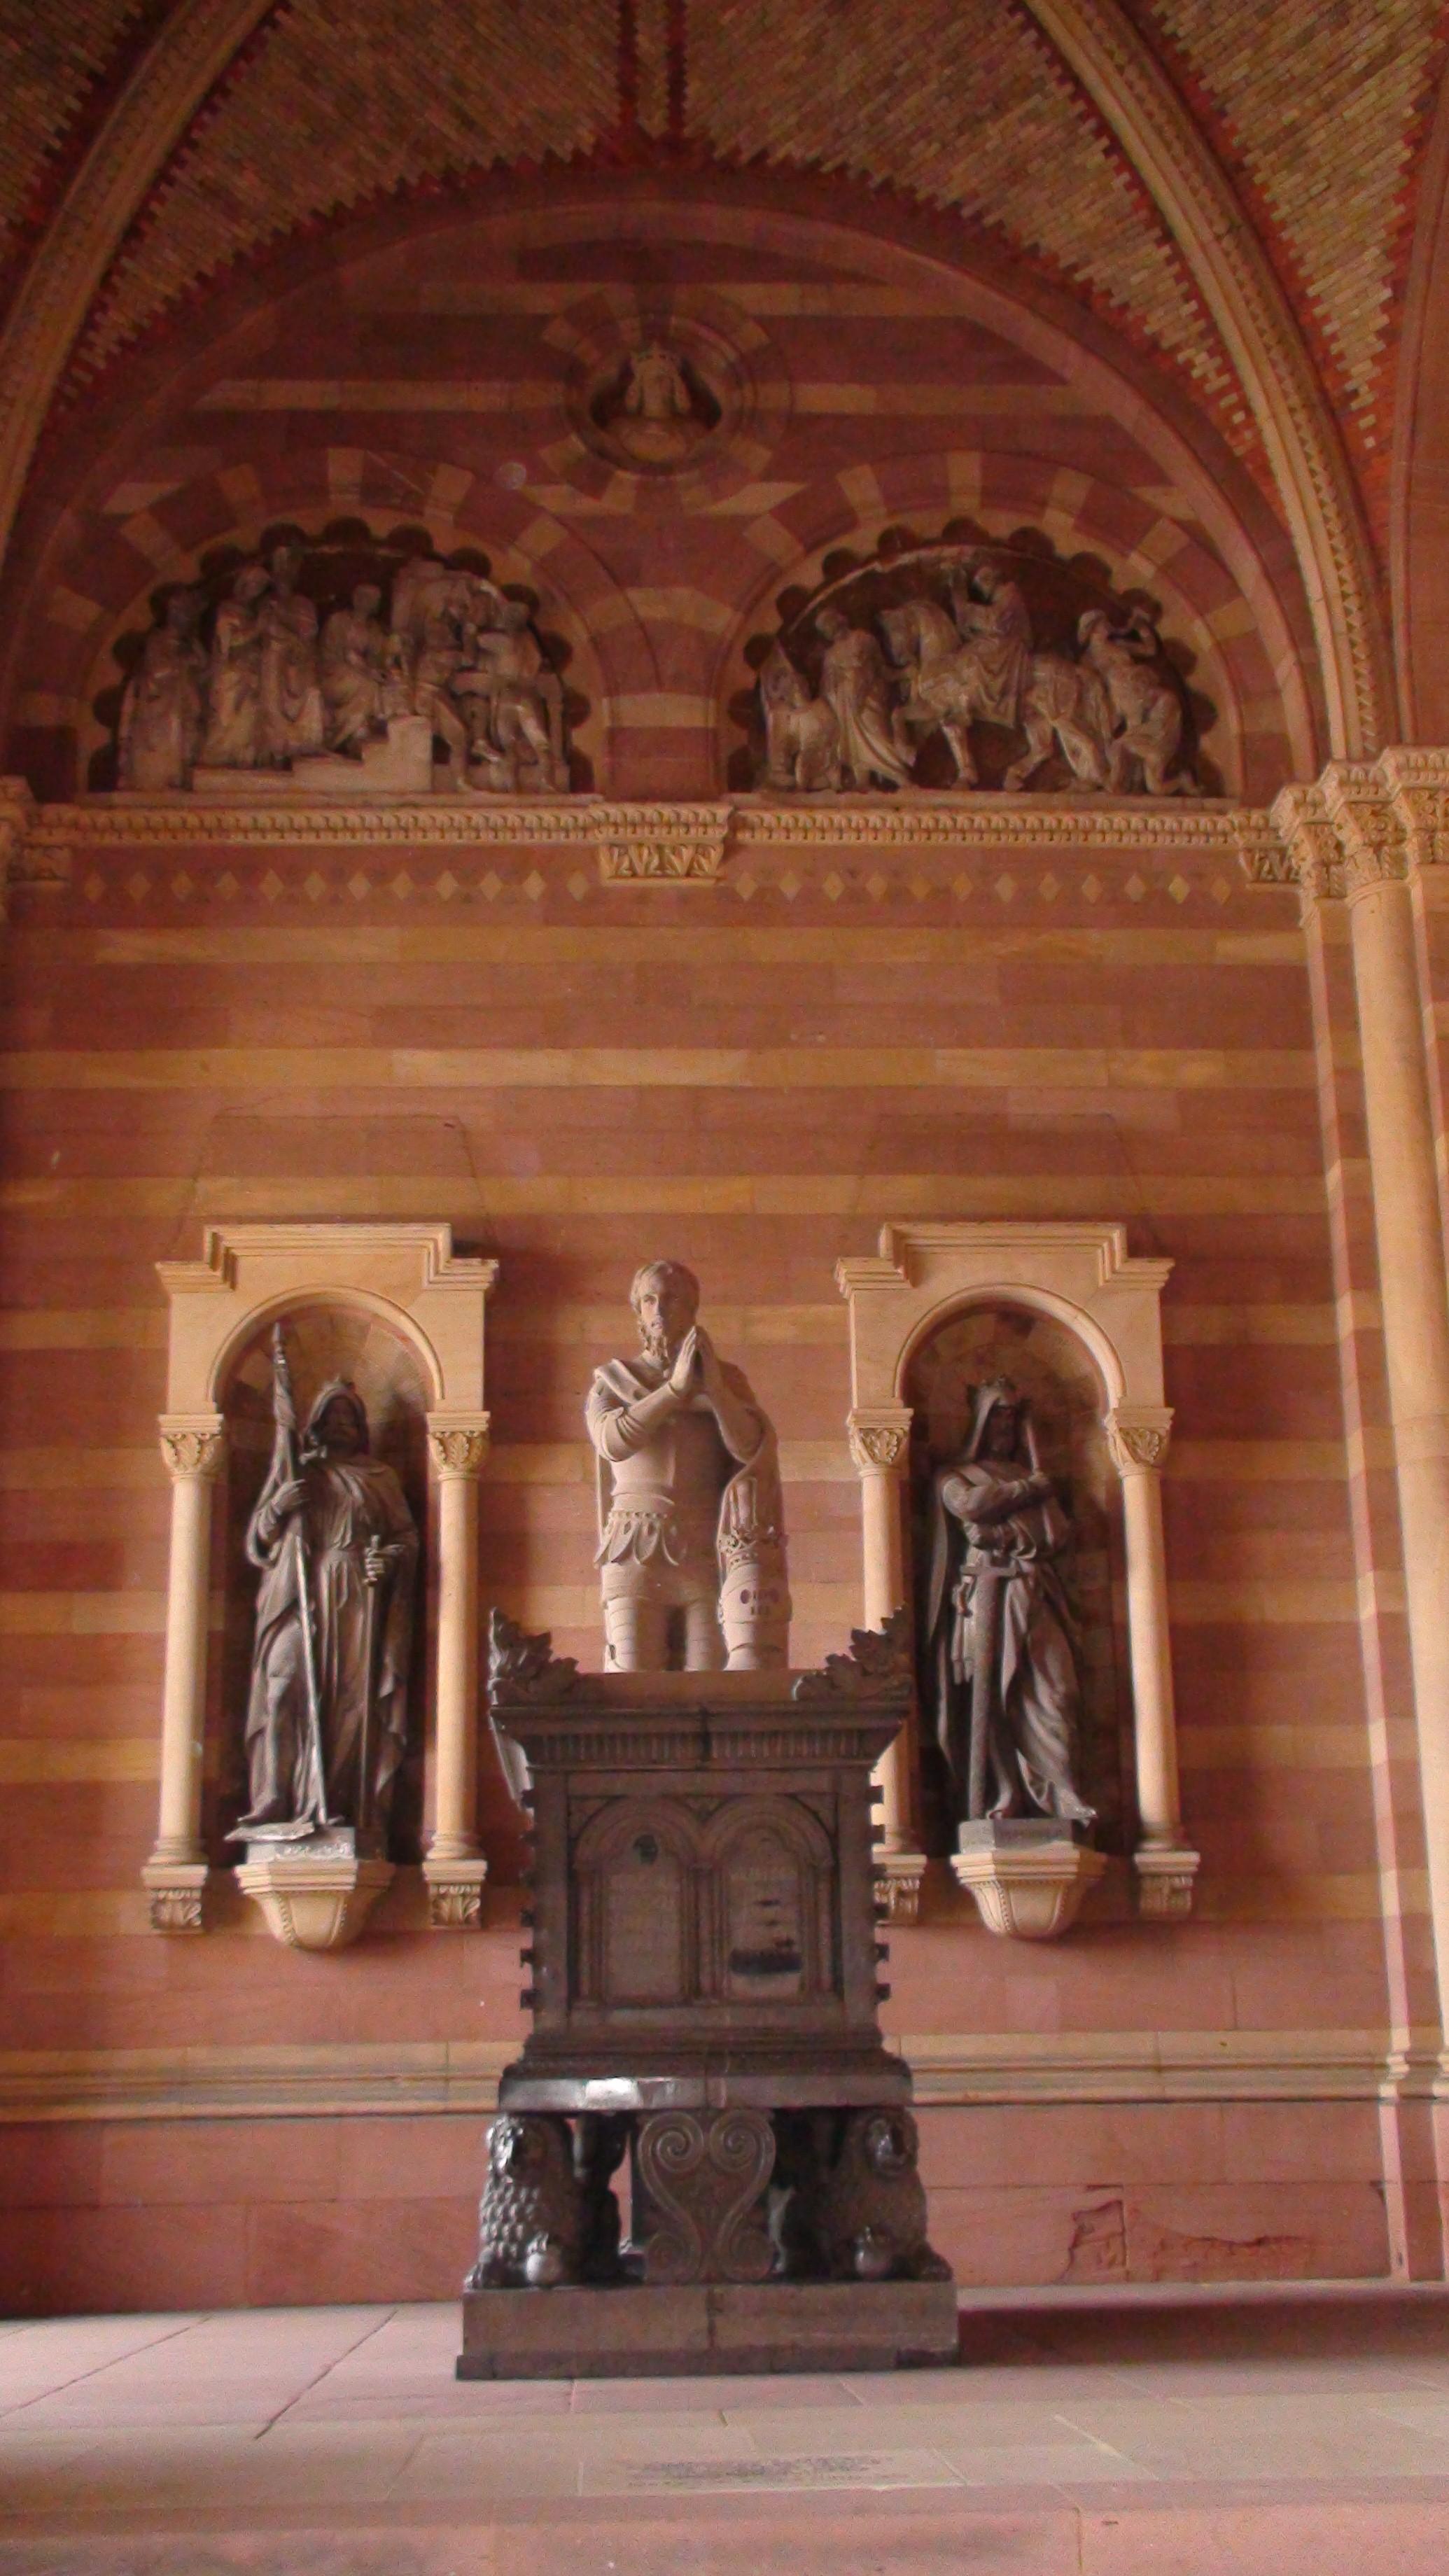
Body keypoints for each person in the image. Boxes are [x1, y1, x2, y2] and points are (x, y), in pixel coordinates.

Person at [585, 1261, 785, 1671]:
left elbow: (750, 1447)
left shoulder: (726, 1380)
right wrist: (674, 1391)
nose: (659, 1310)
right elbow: (612, 1441)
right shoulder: (615, 1379)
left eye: (671, 1299)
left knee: (710, 1685)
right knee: (632, 1683)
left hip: (705, 1548)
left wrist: (715, 1391)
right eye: (649, 1300)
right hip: (634, 1544)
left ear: (692, 1309)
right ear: (638, 1311)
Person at [238, 1379, 417, 1835]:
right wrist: (277, 1508)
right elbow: (261, 1539)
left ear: (360, 1426)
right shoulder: (297, 1472)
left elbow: (405, 1537)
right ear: (316, 1422)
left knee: (347, 1704)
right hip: (297, 1591)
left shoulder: (379, 1477)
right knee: (282, 1689)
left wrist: (386, 1560)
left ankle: (335, 1804)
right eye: (331, 1415)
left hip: (354, 1596)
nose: (340, 1424)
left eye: (348, 1416)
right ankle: (274, 1796)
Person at [923, 1378, 1094, 1828]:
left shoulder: (1031, 1477)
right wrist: (1027, 1492)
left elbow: (1056, 1533)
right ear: (981, 1420)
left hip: (1037, 1591)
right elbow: (970, 1506)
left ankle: (1062, 1795)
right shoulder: (955, 1476)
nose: (1007, 1425)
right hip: (986, 1598)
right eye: (998, 1415)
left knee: (1058, 1692)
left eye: (1013, 1416)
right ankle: (1003, 1795)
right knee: (993, 1695)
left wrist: (1005, 1531)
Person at [117, 589, 207, 790]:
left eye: (190, 614)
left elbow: (204, 670)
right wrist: (182, 662)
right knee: (171, 733)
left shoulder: (191, 644)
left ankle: (182, 774)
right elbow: (157, 671)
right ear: (172, 613)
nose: (188, 619)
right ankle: (164, 776)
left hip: (187, 702)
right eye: (184, 612)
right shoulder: (158, 641)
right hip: (164, 706)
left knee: (190, 735)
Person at [815, 608, 913, 788]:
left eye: (830, 621)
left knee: (879, 735)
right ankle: (862, 781)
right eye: (825, 627)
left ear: (840, 618)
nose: (830, 628)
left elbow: (881, 669)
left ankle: (899, 774)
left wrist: (902, 674)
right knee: (854, 746)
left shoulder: (864, 639)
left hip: (870, 697)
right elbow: (827, 688)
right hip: (845, 706)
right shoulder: (831, 656)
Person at [256, 542, 324, 766]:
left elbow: (309, 632)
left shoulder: (303, 603)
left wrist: (294, 639)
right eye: (280, 571)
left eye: (289, 571)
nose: (284, 577)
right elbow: (266, 627)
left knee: (313, 691)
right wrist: (286, 636)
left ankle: (306, 744)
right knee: (271, 688)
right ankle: (278, 748)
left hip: (300, 659)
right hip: (273, 658)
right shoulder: (267, 603)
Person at [200, 563, 270, 767]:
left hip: (252, 671)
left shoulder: (253, 613)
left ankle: (242, 756)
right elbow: (230, 641)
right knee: (227, 714)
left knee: (250, 713)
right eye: (255, 583)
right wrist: (258, 628)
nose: (257, 589)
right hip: (231, 671)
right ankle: (218, 756)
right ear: (244, 583)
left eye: (261, 586)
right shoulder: (227, 609)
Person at [319, 581, 391, 755]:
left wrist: (377, 669)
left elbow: (377, 660)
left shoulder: (375, 630)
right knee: (365, 685)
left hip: (361, 676)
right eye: (363, 596)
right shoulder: (338, 621)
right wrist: (357, 665)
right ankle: (340, 738)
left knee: (374, 686)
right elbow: (330, 654)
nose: (366, 601)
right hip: (334, 675)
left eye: (372, 598)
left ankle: (358, 732)